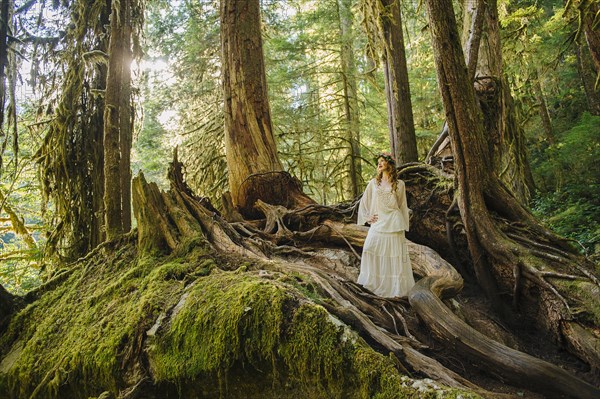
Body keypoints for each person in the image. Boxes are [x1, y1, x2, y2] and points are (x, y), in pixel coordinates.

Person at [356, 152, 415, 298]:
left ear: (389, 164)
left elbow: (402, 205)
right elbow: (364, 203)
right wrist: (367, 217)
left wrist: (404, 225)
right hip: (378, 222)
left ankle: (394, 289)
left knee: (394, 256)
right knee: (370, 248)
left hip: (394, 223)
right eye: (378, 162)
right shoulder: (373, 183)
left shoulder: (399, 184)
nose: (379, 163)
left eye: (382, 161)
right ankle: (373, 284)